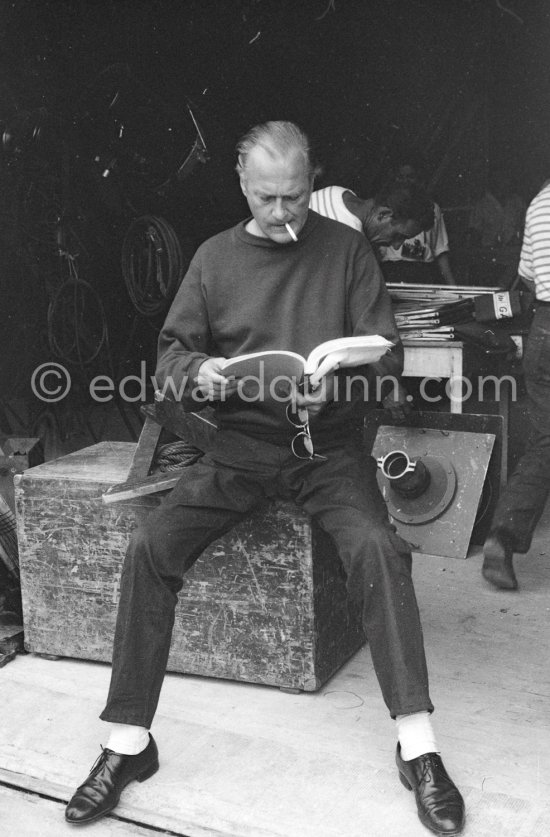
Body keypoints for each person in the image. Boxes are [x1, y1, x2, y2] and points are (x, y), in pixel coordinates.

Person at [65, 121, 465, 836]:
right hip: (241, 448)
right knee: (149, 549)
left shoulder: (346, 250)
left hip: (329, 450)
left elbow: (388, 358)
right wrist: (206, 373)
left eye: (296, 195)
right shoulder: (215, 259)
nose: (283, 213)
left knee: (377, 547)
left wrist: (335, 388)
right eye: (267, 198)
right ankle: (128, 742)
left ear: (314, 180)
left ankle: (418, 743)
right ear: (242, 186)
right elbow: (171, 359)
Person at [309, 180, 435, 415]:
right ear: (384, 214)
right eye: (397, 235)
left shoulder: (338, 194)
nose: (396, 245)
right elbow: (344, 318)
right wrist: (387, 385)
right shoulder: (348, 240)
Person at [482, 180, 550, 590]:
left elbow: (526, 274)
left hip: (544, 330)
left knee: (546, 438)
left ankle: (502, 536)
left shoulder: (541, 200)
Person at [378, 155, 455, 285]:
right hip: (391, 272)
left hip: (423, 273)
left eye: (410, 177)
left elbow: (440, 249)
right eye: (401, 177)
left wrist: (454, 288)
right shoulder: (383, 207)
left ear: (419, 179)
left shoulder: (432, 208)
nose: (405, 181)